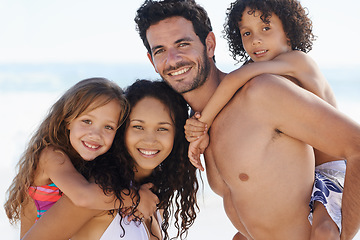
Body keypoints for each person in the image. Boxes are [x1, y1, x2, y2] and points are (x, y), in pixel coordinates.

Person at [134, 0, 360, 239]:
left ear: (209, 44)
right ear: (152, 61)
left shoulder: (261, 93)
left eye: (183, 44)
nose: (173, 59)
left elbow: (356, 146)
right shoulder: (195, 127)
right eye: (160, 50)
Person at [22, 79, 199, 240]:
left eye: (162, 129)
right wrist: (135, 198)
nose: (150, 140)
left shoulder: (149, 196)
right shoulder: (96, 190)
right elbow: (82, 197)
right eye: (138, 126)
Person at [4, 77, 159, 238]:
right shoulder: (51, 156)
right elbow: (83, 197)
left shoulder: (88, 164)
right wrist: (136, 197)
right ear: (68, 120)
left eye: (108, 127)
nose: (95, 134)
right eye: (87, 121)